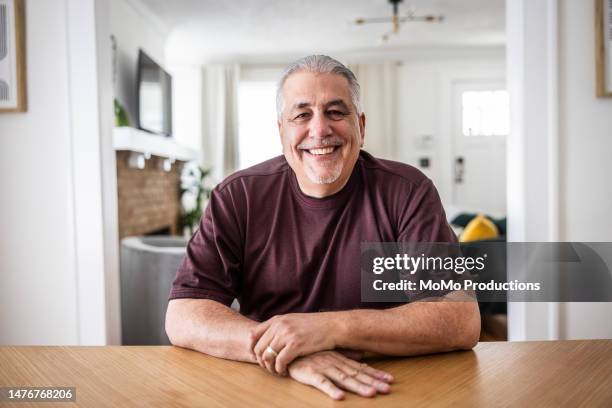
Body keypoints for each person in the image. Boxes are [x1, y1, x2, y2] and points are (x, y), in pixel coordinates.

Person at [165, 55, 480, 400]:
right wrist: (288, 353)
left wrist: (326, 329)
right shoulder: (237, 196)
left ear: (360, 125)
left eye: (335, 112)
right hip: (270, 384)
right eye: (302, 115)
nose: (319, 130)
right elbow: (184, 313)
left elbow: (459, 318)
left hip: (388, 384)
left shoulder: (407, 191)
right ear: (281, 129)